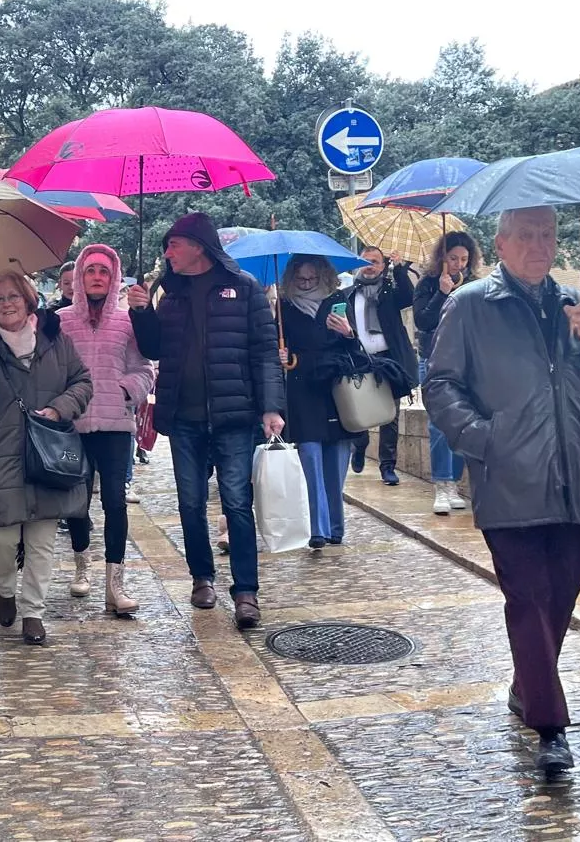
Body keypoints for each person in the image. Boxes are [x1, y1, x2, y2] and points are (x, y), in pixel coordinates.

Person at [424, 205, 580, 775]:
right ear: (501, 242)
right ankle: (549, 725)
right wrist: (484, 439)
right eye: (525, 235)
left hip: (578, 477)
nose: (538, 244)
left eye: (547, 235)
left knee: (560, 599)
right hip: (509, 477)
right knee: (527, 598)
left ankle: (527, 686)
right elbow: (440, 384)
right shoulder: (470, 304)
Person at [127, 212, 285, 630]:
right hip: (184, 418)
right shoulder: (170, 294)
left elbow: (265, 354)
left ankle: (246, 592)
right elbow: (154, 348)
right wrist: (142, 313)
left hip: (235, 416)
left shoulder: (245, 289)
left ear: (198, 245)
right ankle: (202, 578)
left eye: (173, 244)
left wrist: (271, 407)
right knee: (191, 503)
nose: (168, 253)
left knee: (236, 502)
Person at [0, 271, 92, 644]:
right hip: (0, 452)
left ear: (29, 299)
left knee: (42, 542)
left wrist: (59, 408)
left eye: (13, 296)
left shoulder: (54, 339)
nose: (7, 304)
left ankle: (33, 612)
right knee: (1, 540)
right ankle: (5, 591)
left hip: (47, 452)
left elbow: (83, 382)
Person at [57, 246, 152, 612]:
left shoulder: (128, 321)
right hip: (74, 424)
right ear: (79, 277)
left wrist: (126, 389)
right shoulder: (62, 321)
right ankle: (82, 568)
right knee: (77, 504)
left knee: (114, 501)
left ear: (115, 278)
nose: (97, 276)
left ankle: (116, 585)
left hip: (115, 423)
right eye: (90, 270)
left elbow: (145, 369)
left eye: (105, 271)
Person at [277, 255, 361, 548]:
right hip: (302, 390)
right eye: (301, 279)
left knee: (336, 464)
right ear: (292, 278)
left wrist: (348, 333)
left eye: (312, 279)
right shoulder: (283, 306)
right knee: (310, 460)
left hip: (337, 390)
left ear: (324, 276)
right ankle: (318, 529)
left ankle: (336, 527)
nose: (307, 284)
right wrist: (283, 357)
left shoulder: (338, 300)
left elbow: (357, 349)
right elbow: (277, 348)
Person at [414, 231, 482, 514]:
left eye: (464, 259)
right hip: (434, 358)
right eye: (453, 258)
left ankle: (453, 481)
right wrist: (442, 293)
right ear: (442, 257)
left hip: (467, 360)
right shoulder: (428, 284)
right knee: (439, 422)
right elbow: (422, 320)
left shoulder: (476, 285)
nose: (458, 264)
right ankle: (441, 483)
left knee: (462, 422)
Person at [345, 244, 417, 485]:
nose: (369, 266)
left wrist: (399, 270)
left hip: (389, 357)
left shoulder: (389, 290)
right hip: (361, 358)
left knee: (390, 414)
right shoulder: (349, 293)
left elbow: (409, 297)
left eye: (375, 261)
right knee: (359, 409)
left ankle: (388, 465)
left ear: (383, 265)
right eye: (365, 261)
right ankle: (360, 443)